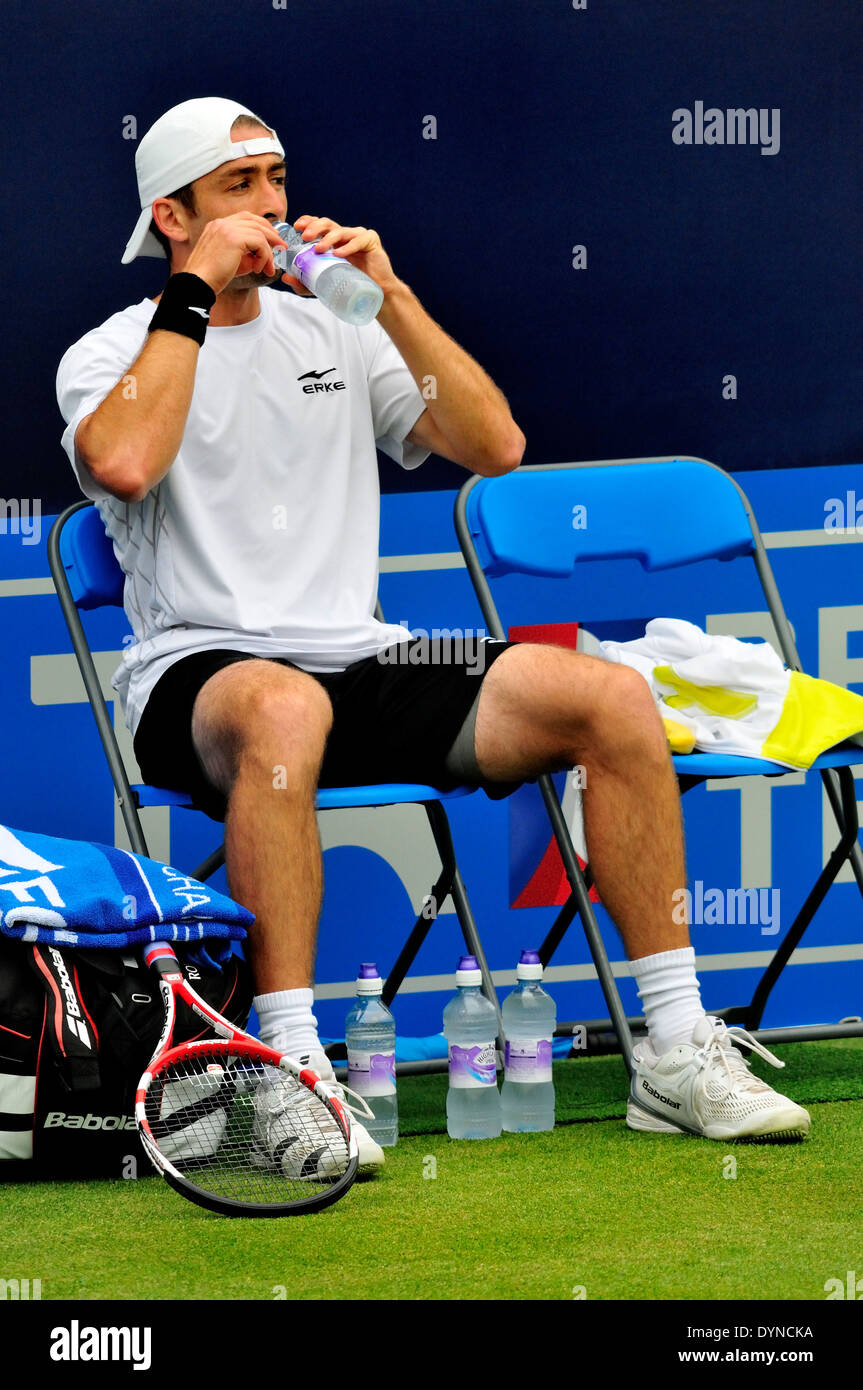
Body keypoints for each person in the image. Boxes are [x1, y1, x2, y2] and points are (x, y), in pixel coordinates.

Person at [56, 97, 810, 1168]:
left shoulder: (333, 327)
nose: (270, 207)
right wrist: (191, 295)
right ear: (169, 217)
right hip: (201, 670)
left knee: (606, 695)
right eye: (238, 190)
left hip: (366, 657)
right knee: (283, 701)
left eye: (275, 180)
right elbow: (124, 464)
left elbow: (492, 444)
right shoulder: (110, 351)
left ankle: (675, 1047)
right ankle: (287, 1073)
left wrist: (391, 298)